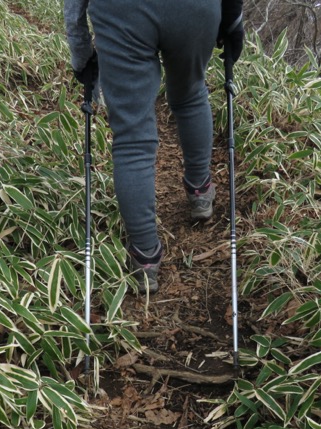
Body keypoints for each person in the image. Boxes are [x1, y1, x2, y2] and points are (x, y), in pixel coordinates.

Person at [64, 0, 244, 293]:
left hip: (121, 11)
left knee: (132, 137)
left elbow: (74, 10)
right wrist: (233, 18)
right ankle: (200, 190)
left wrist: (81, 54)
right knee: (191, 94)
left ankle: (146, 256)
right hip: (194, 9)